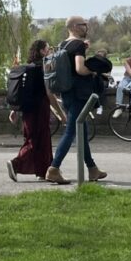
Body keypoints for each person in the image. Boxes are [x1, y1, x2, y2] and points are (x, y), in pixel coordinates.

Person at [46, 16, 107, 184]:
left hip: (66, 93)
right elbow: (80, 69)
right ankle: (54, 169)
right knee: (72, 131)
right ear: (74, 26)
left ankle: (92, 169)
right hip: (79, 94)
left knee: (82, 131)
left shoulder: (62, 44)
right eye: (83, 25)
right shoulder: (78, 45)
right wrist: (93, 71)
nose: (86, 27)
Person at [6, 39, 62, 182]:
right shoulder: (44, 67)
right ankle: (16, 163)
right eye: (48, 49)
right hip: (40, 108)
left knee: (37, 139)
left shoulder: (28, 68)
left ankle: (43, 172)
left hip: (27, 109)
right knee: (38, 140)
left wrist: (14, 110)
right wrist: (61, 113)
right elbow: (49, 94)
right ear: (42, 51)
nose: (49, 51)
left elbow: (22, 92)